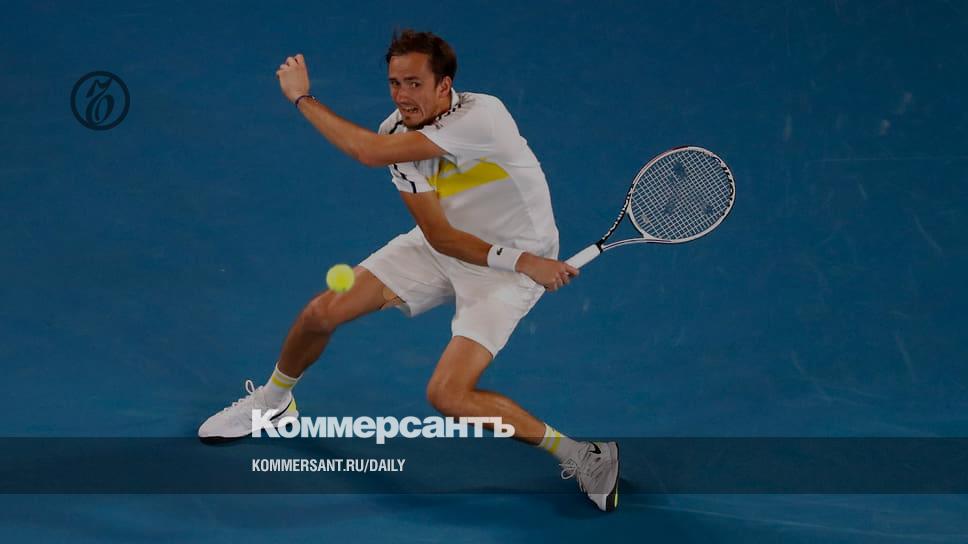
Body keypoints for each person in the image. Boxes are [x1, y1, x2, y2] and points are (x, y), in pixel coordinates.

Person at [197, 29, 619, 512]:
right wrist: (525, 262)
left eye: (415, 83)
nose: (402, 95)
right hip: (452, 246)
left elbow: (365, 153)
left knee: (448, 394)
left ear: (444, 85)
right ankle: (273, 401)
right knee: (321, 313)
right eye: (395, 83)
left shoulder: (484, 117)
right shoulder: (395, 132)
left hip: (511, 268)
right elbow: (439, 235)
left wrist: (301, 98)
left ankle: (583, 455)